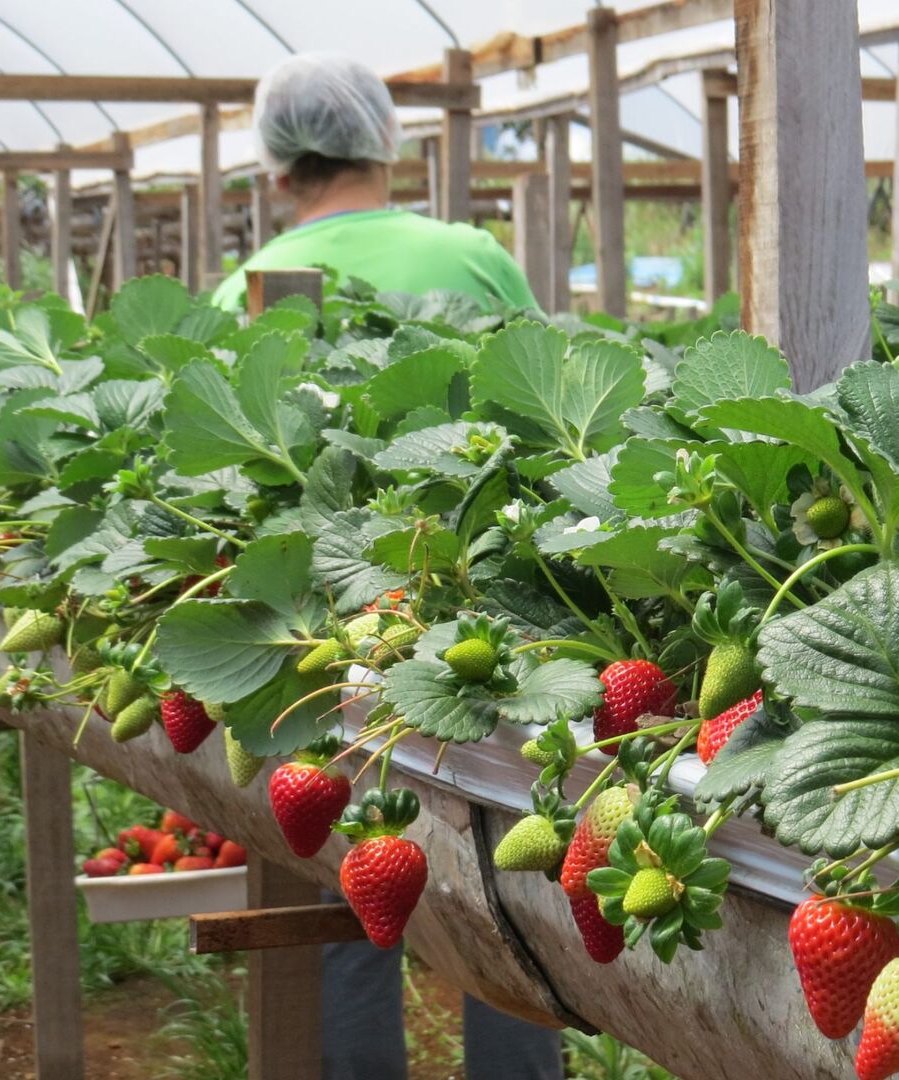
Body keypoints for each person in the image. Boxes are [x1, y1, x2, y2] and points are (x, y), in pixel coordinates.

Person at [218, 52, 560, 1080]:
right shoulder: (469, 255)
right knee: (507, 877)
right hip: (483, 611)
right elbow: (541, 403)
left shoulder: (250, 284)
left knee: (344, 884)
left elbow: (245, 480)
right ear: (385, 143)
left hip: (329, 625)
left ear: (278, 169)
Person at [211, 53, 538, 312]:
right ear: (385, 135)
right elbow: (553, 379)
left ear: (278, 171)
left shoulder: (238, 293)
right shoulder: (477, 259)